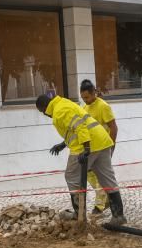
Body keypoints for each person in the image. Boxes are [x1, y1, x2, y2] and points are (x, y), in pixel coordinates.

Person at [36, 92, 127, 225]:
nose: (44, 114)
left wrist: (86, 148)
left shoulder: (59, 111)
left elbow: (80, 126)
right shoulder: (64, 103)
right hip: (101, 141)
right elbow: (73, 130)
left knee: (72, 176)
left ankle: (79, 215)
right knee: (107, 178)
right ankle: (118, 216)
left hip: (87, 145)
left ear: (45, 107)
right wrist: (63, 145)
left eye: (42, 111)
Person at [79, 79, 119, 215]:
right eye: (82, 98)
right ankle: (104, 199)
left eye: (87, 97)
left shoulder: (103, 106)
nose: (85, 100)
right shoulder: (84, 108)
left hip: (103, 148)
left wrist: (111, 147)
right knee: (89, 173)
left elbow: (113, 127)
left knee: (103, 175)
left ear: (94, 93)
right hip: (91, 148)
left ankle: (101, 205)